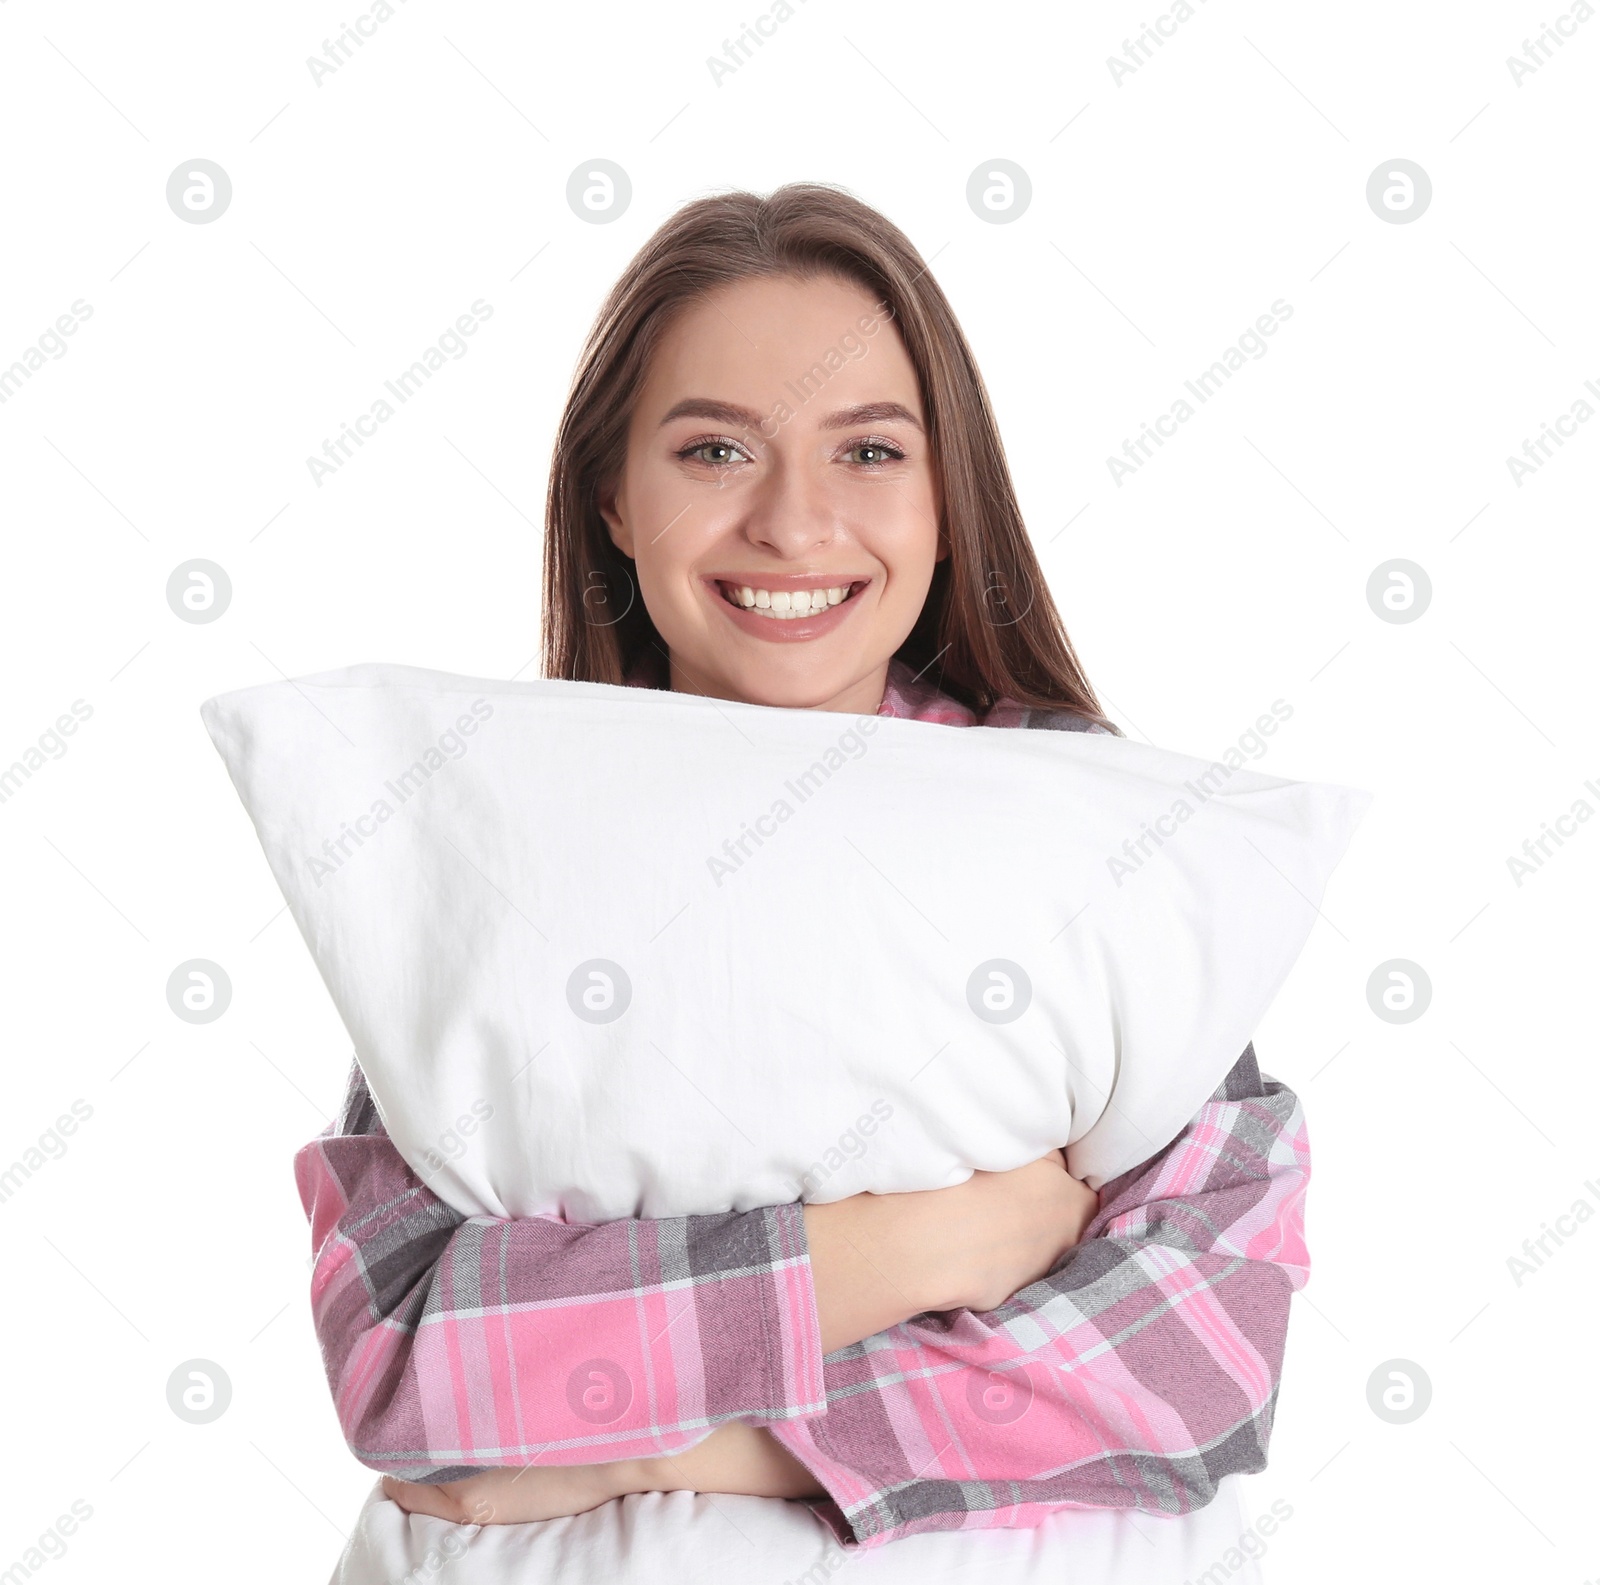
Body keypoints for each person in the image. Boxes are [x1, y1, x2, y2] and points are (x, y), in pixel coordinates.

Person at [293, 182, 1310, 1550]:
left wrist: (662, 1442)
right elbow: (411, 1355)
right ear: (612, 493)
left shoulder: (1080, 835)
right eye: (714, 452)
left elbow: (1202, 1360)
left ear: (951, 494)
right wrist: (929, 1245)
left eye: (870, 453)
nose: (793, 521)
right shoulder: (501, 832)